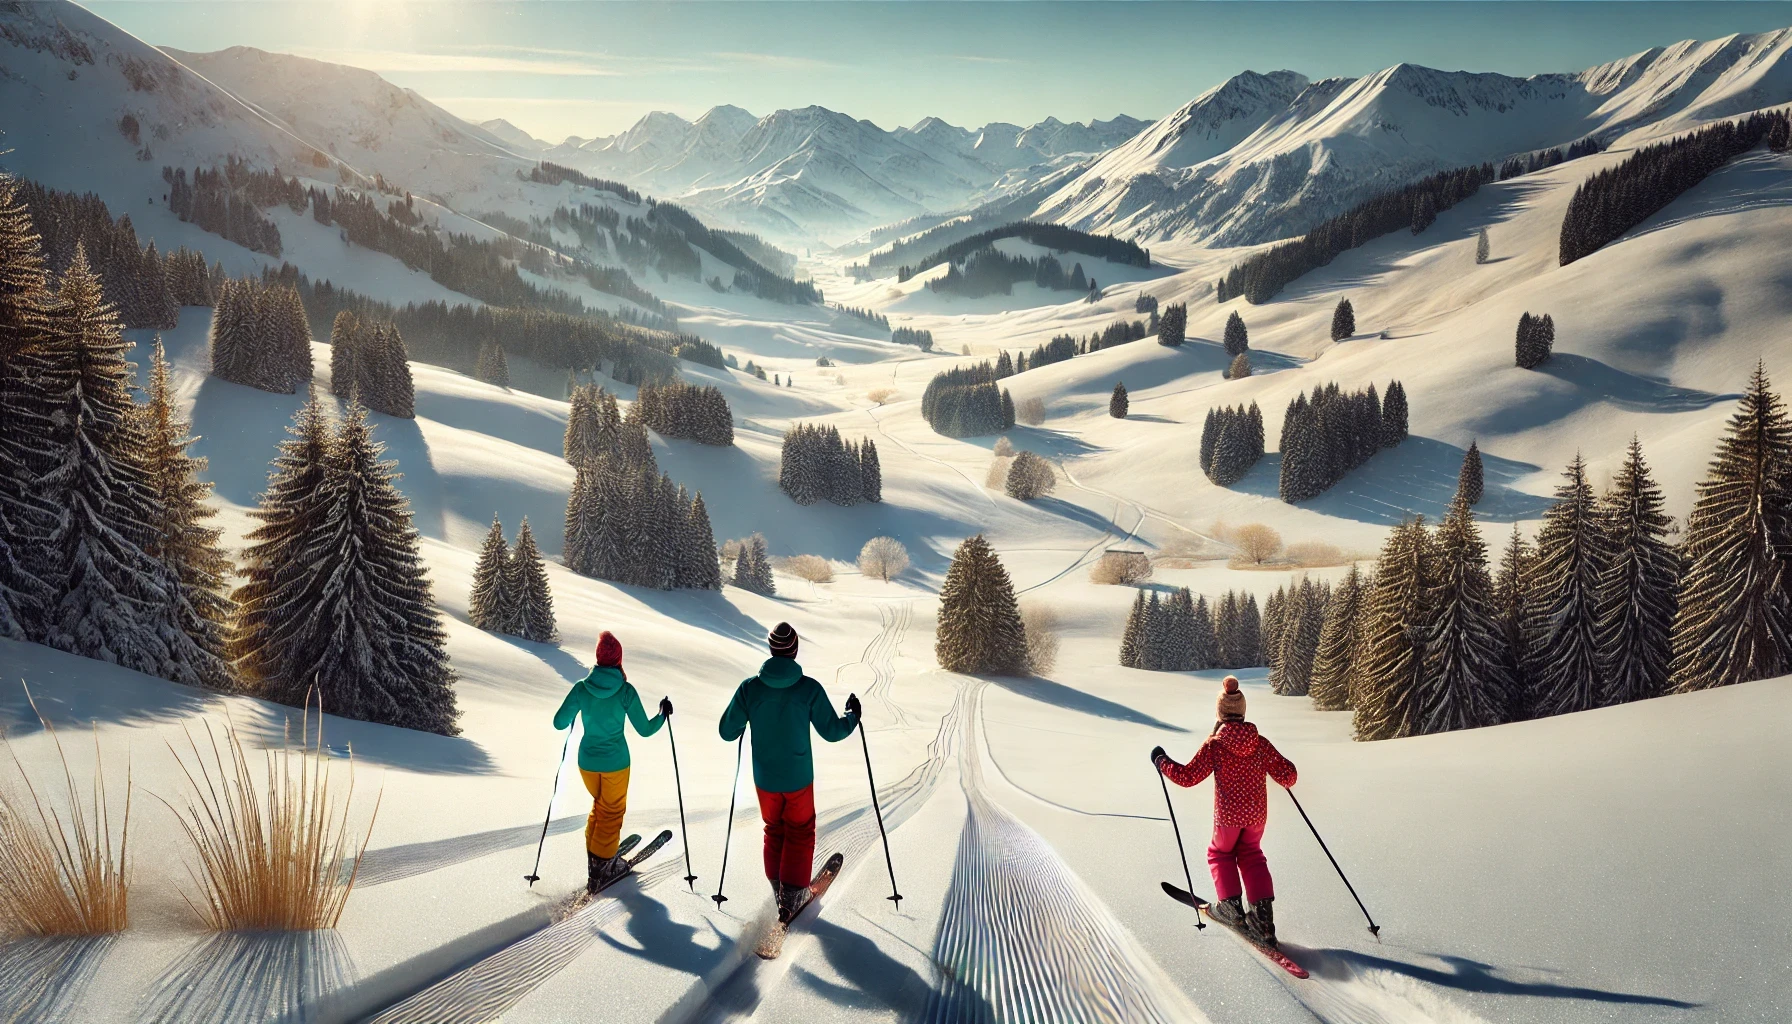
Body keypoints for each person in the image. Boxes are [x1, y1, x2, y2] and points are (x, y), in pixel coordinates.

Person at [719, 622, 860, 919]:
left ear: (772, 650)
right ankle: (793, 895)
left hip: (765, 779)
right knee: (799, 830)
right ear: (794, 650)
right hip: (797, 778)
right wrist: (852, 716)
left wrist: (745, 718)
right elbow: (832, 732)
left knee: (774, 830)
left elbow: (726, 731)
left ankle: (780, 890)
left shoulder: (750, 688)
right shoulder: (808, 688)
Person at [1152, 675, 1297, 946]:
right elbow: (1289, 775)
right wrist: (1283, 777)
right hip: (1256, 817)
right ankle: (1263, 919)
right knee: (1252, 855)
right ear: (1242, 712)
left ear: (1220, 713)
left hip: (1228, 818)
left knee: (1219, 853)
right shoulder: (1260, 743)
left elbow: (1186, 777)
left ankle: (1230, 907)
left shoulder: (1216, 745)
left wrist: (1161, 761)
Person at [553, 630, 673, 893]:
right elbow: (645, 729)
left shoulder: (581, 688)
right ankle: (604, 866)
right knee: (612, 812)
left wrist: (579, 708)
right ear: (618, 659)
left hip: (586, 763)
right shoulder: (626, 691)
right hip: (616, 763)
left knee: (599, 806)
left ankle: (596, 856)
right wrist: (663, 715)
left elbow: (558, 722)